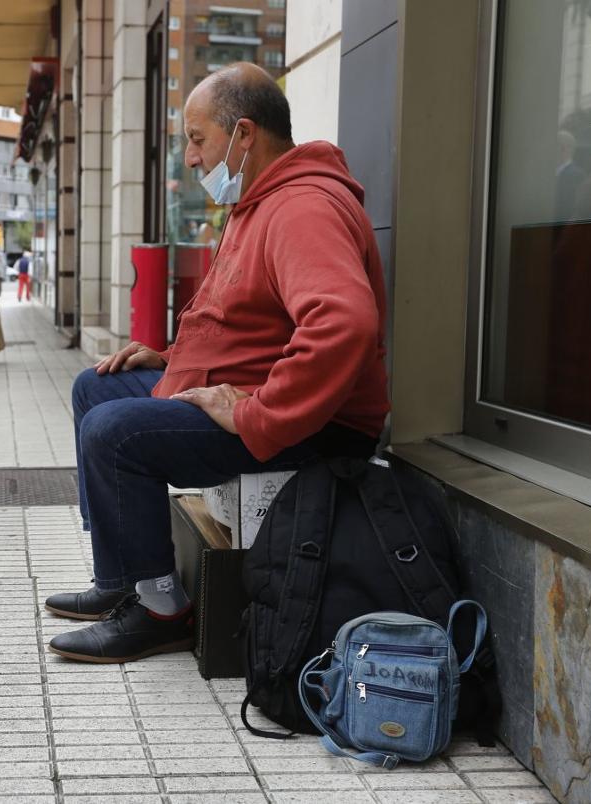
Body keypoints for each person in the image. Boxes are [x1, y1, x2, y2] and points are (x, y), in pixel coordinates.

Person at [45, 63, 390, 664]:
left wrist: (257, 413)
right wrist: (173, 358)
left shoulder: (302, 208)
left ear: (245, 135)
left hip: (313, 425)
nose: (189, 159)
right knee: (95, 388)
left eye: (197, 138)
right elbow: (249, 325)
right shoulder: (257, 203)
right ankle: (122, 577)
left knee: (114, 434)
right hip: (255, 392)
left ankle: (160, 610)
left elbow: (343, 323)